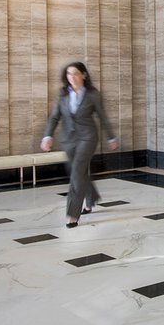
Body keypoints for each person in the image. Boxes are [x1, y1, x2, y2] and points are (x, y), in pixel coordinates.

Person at [41, 61, 118, 228]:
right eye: (69, 74)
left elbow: (102, 116)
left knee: (76, 171)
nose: (72, 77)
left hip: (87, 137)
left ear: (84, 75)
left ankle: (73, 213)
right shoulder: (62, 94)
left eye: (75, 73)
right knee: (80, 171)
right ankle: (91, 198)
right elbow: (54, 117)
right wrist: (47, 136)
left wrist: (111, 137)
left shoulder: (92, 94)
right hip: (68, 139)